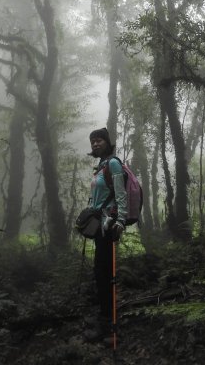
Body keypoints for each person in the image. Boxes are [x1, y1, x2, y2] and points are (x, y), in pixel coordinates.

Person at [84, 127, 127, 342]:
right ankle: (104, 316)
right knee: (100, 272)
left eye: (99, 140)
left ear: (107, 142)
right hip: (99, 225)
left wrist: (120, 220)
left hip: (109, 225)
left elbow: (121, 195)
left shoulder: (112, 164)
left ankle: (110, 326)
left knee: (106, 273)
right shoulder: (101, 167)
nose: (95, 144)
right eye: (92, 141)